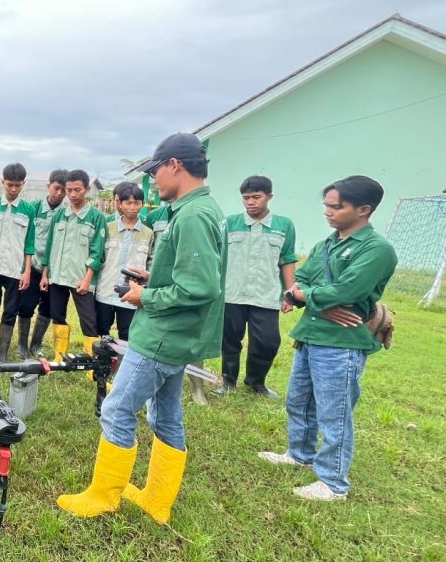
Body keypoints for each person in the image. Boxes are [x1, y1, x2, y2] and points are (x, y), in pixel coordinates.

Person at [58, 133, 224, 525]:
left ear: (175, 165)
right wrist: (155, 277)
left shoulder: (194, 215)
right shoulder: (203, 209)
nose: (153, 182)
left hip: (162, 335)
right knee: (166, 416)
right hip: (179, 336)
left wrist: (143, 297)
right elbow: (190, 275)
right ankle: (157, 499)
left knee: (117, 409)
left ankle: (104, 495)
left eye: (155, 172)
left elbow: (201, 287)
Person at [260, 175, 397, 501]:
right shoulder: (327, 244)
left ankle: (333, 483)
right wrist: (306, 297)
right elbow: (299, 282)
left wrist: (306, 297)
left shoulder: (377, 250)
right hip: (311, 335)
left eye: (337, 206)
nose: (328, 212)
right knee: (298, 400)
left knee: (334, 412)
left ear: (364, 210)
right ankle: (299, 453)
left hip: (341, 343)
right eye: (327, 205)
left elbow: (348, 290)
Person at [217, 175, 298, 399]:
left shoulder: (284, 225)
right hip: (233, 294)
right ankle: (228, 382)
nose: (251, 202)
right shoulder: (230, 223)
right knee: (230, 340)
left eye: (256, 197)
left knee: (268, 342)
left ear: (269, 197)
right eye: (246, 198)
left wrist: (289, 293)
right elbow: (218, 256)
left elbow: (287, 259)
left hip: (265, 295)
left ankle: (256, 382)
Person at [39, 169, 106, 362]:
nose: (73, 194)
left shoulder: (96, 217)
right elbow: (50, 246)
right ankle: (59, 357)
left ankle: (91, 361)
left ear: (86, 189)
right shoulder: (60, 215)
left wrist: (87, 280)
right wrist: (45, 274)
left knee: (88, 321)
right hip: (57, 276)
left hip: (81, 279)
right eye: (69, 190)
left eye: (77, 190)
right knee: (57, 315)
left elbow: (97, 252)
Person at [0, 163, 37, 360]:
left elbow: (30, 242)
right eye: (9, 185)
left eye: (17, 185)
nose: (13, 189)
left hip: (16, 269)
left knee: (10, 310)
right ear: (2, 183)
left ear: (23, 184)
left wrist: (27, 270)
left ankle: (2, 354)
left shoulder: (28, 209)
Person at [94, 182, 153, 342]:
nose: (132, 207)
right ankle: (101, 365)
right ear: (120, 203)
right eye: (128, 202)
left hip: (131, 293)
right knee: (102, 332)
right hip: (105, 290)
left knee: (127, 336)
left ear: (142, 204)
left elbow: (150, 263)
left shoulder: (148, 233)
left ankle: (121, 366)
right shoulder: (107, 228)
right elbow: (98, 257)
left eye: (137, 203)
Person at [17, 169, 67, 358]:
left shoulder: (65, 214)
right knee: (26, 306)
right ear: (49, 186)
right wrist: (26, 268)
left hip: (54, 271)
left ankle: (36, 344)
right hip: (33, 266)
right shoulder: (33, 208)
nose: (60, 193)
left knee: (47, 308)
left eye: (63, 190)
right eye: (56, 188)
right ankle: (22, 344)